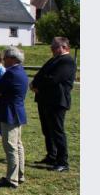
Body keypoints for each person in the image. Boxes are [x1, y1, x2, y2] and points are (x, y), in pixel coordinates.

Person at [30, 37, 77, 172]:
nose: (52, 49)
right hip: (45, 99)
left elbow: (54, 79)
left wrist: (38, 85)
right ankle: (52, 155)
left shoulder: (67, 61)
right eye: (52, 46)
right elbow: (41, 74)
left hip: (57, 101)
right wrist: (34, 83)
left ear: (64, 47)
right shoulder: (53, 59)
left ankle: (62, 162)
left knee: (57, 131)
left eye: (55, 47)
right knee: (47, 130)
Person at [0, 47, 29, 188]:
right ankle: (20, 175)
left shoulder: (11, 73)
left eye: (5, 58)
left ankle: (12, 179)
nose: (4, 60)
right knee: (18, 145)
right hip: (18, 111)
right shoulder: (21, 71)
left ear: (12, 59)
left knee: (10, 146)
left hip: (9, 113)